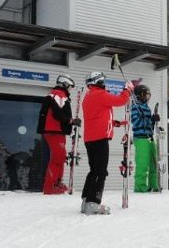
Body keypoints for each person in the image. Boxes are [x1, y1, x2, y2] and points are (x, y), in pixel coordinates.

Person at [80, 71, 134, 215]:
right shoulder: (99, 94)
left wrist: (116, 123)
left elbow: (98, 116)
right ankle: (93, 203)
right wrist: (127, 89)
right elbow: (121, 101)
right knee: (100, 171)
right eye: (101, 81)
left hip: (91, 138)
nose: (104, 84)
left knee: (94, 171)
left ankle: (86, 201)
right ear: (95, 82)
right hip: (99, 139)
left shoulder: (89, 96)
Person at [37, 74, 78, 194]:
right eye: (70, 87)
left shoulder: (58, 94)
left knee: (60, 157)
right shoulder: (58, 94)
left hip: (56, 131)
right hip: (54, 131)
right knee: (57, 158)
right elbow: (57, 113)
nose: (70, 89)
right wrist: (70, 121)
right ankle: (49, 187)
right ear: (64, 84)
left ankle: (57, 183)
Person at [130, 84, 161, 193]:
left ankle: (153, 185)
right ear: (139, 95)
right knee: (142, 164)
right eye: (145, 95)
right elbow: (137, 123)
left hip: (150, 137)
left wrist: (153, 120)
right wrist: (149, 120)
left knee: (153, 162)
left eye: (148, 96)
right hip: (141, 138)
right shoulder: (134, 107)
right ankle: (140, 186)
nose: (146, 98)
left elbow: (148, 125)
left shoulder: (147, 108)